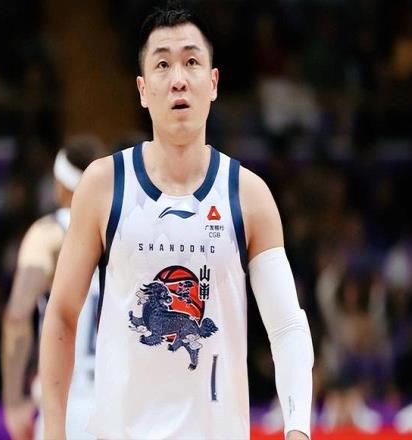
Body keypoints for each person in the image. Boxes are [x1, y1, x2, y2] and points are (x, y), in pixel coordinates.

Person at [40, 3, 314, 439]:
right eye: (163, 64)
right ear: (142, 89)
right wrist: (54, 433)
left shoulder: (249, 195)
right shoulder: (103, 185)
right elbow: (61, 315)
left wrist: (298, 428)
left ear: (214, 82)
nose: (178, 78)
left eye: (191, 61)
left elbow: (286, 327)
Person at [2, 137, 102, 440]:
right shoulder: (125, 231)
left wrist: (13, 400)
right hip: (123, 407)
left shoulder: (49, 234)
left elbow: (18, 314)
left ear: (60, 185)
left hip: (69, 406)